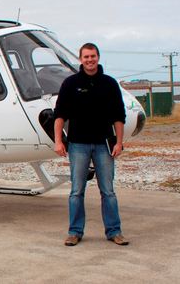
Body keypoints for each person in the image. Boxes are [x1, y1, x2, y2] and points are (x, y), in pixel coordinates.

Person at [53, 43, 128, 247]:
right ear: (80, 59)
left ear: (98, 57)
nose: (90, 60)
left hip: (104, 145)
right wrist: (58, 141)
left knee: (108, 191)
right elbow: (59, 114)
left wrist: (119, 142)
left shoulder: (110, 84)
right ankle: (75, 232)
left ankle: (114, 231)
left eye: (93, 56)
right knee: (77, 191)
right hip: (78, 145)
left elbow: (119, 116)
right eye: (86, 57)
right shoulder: (70, 83)